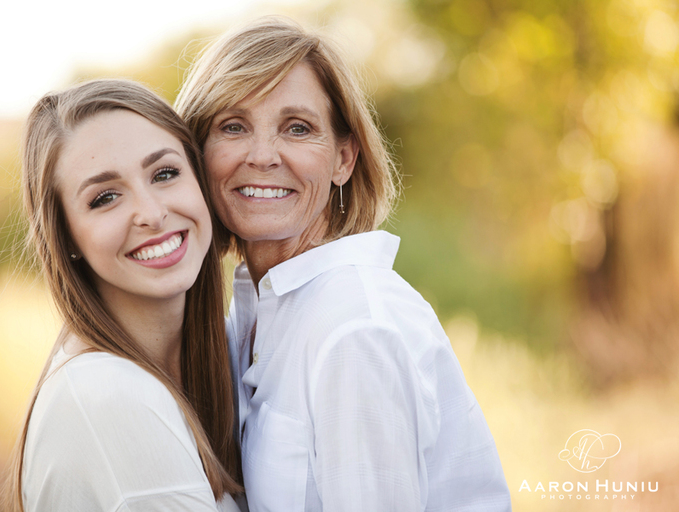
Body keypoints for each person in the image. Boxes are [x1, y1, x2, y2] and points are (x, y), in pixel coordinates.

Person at [176, 17, 512, 511]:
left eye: (297, 128)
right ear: (197, 153)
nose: (263, 156)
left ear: (344, 160)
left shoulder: (354, 331)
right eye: (233, 126)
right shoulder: (251, 313)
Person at [1, 79, 243, 512]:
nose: (151, 213)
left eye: (165, 174)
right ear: (65, 235)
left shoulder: (224, 354)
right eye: (105, 198)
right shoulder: (109, 395)